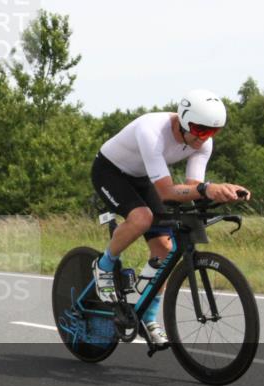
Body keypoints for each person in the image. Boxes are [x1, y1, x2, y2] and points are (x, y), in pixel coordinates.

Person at [91, 89, 251, 346]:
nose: (204, 138)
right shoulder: (152, 130)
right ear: (184, 120)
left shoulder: (202, 142)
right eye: (199, 130)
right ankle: (104, 265)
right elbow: (166, 191)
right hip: (110, 171)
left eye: (212, 131)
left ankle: (147, 317)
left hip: (143, 178)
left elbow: (191, 189)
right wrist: (206, 189)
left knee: (165, 249)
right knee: (142, 217)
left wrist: (221, 193)